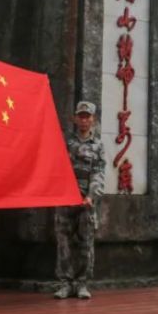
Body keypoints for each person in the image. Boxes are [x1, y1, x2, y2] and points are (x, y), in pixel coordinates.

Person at [53, 101, 106, 299]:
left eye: (88, 116)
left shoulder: (98, 146)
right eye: (81, 116)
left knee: (86, 243)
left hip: (86, 202)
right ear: (75, 118)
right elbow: (57, 170)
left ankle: (82, 283)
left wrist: (91, 196)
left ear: (93, 119)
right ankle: (65, 283)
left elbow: (98, 174)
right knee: (63, 243)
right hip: (65, 200)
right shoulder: (66, 143)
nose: (84, 120)